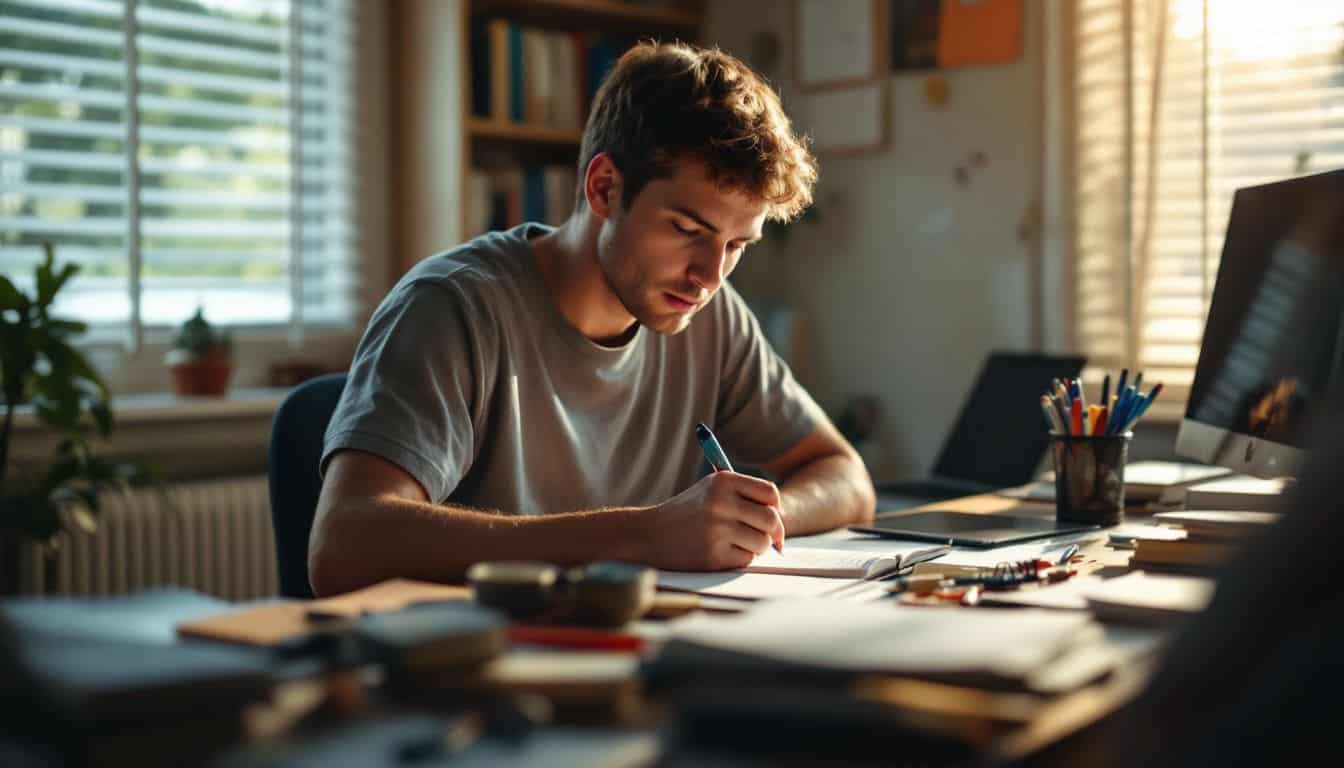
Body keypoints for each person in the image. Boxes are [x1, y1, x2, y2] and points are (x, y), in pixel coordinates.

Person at [307, 42, 876, 596]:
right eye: (686, 230)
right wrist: (647, 534)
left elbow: (845, 477)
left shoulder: (710, 313)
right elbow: (344, 543)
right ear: (604, 187)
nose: (709, 275)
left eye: (736, 245)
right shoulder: (453, 306)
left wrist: (754, 522)